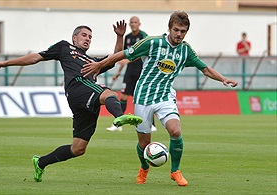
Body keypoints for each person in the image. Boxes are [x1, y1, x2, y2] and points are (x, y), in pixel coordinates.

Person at [81, 11, 238, 186]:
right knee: (144, 143)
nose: (179, 34)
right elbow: (124, 54)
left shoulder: (186, 51)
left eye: (183, 31)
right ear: (169, 28)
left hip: (165, 96)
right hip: (143, 98)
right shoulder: (152, 43)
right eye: (176, 30)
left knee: (176, 131)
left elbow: (205, 69)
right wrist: (100, 64)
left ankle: (175, 171)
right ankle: (144, 167)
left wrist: (223, 78)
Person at [0, 20, 143, 182]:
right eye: (84, 35)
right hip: (78, 89)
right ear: (74, 38)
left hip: (85, 100)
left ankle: (41, 162)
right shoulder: (65, 47)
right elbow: (36, 57)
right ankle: (119, 116)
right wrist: (6, 63)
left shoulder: (93, 61)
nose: (87, 39)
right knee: (109, 94)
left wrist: (119, 37)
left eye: (90, 37)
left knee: (78, 148)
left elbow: (113, 59)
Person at [106, 16, 157, 132]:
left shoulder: (143, 36)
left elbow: (141, 53)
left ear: (139, 24)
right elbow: (124, 54)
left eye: (135, 22)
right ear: (130, 24)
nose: (133, 24)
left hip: (142, 70)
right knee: (123, 96)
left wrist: (127, 60)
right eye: (132, 22)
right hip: (129, 71)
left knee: (144, 98)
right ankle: (118, 123)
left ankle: (151, 124)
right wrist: (118, 73)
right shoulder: (128, 37)